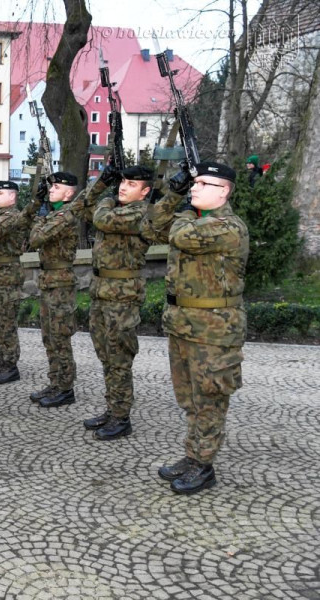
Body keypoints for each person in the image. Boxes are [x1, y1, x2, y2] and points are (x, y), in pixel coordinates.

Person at [142, 161, 248, 495]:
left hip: (214, 330)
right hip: (183, 324)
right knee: (189, 398)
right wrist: (173, 194)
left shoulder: (228, 227)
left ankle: (204, 465)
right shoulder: (194, 217)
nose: (195, 188)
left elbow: (179, 235)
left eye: (203, 184)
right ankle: (193, 455)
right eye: (194, 182)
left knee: (210, 397)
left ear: (224, 191)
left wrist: (185, 209)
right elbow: (151, 227)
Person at [71, 165, 154, 440]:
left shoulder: (141, 213)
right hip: (101, 292)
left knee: (119, 358)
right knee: (106, 356)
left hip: (123, 297)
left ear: (145, 191)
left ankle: (121, 417)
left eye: (132, 184)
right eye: (122, 182)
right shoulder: (114, 208)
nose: (123, 187)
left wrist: (105, 198)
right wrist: (100, 183)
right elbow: (79, 207)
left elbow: (103, 219)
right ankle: (112, 409)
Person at [29, 172, 80, 408]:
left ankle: (65, 387)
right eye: (51, 187)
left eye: (56, 187)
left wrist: (40, 217)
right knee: (49, 337)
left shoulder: (65, 215)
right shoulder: (53, 214)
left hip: (60, 283)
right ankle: (55, 382)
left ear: (69, 193)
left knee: (60, 337)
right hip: (49, 280)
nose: (51, 190)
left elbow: (36, 238)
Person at [0, 181, 38, 383]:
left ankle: (11, 365)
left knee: (6, 324)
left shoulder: (13, 216)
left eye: (1, 193)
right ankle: (2, 360)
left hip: (6, 277)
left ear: (12, 197)